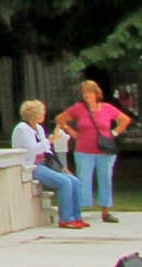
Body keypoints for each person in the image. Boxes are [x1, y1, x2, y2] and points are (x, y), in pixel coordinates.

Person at [56, 75, 134, 223]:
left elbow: (125, 120)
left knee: (105, 179)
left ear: (96, 93)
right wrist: (72, 132)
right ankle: (79, 210)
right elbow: (60, 119)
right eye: (84, 92)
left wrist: (114, 133)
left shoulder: (107, 108)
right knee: (83, 180)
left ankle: (106, 211)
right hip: (84, 150)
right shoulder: (79, 108)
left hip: (105, 151)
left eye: (90, 92)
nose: (87, 95)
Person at [11, 97, 86, 228]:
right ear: (34, 114)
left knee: (74, 181)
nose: (43, 115)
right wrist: (50, 140)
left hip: (46, 163)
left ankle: (77, 217)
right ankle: (66, 219)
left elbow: (47, 150)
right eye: (41, 112)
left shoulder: (39, 128)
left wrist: (61, 167)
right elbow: (32, 149)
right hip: (33, 165)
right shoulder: (22, 129)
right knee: (64, 183)